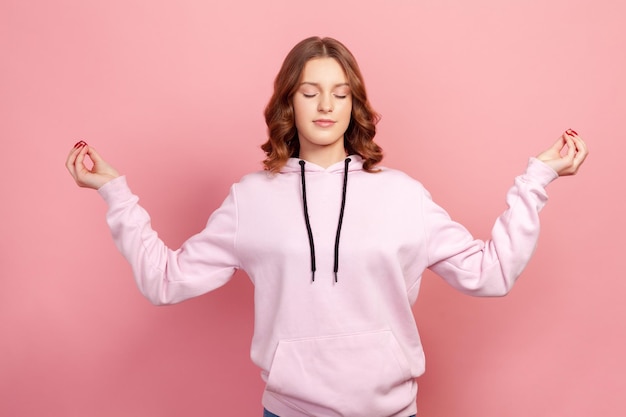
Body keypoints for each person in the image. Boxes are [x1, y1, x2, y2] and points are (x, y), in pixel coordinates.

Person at [66, 36, 588, 417]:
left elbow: (490, 275)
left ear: (354, 103)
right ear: (288, 101)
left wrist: (536, 180)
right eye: (310, 91)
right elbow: (166, 281)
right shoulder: (252, 198)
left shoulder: (403, 194)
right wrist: (116, 194)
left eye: (340, 93)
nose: (325, 105)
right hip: (289, 413)